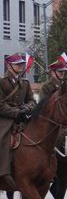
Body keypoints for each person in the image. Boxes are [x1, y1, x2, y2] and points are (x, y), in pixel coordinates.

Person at [0, 54, 37, 189]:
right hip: (5, 118)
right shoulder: (2, 81)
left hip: (23, 116)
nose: (21, 66)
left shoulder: (25, 83)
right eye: (17, 64)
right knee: (2, 138)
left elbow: (32, 100)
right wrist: (16, 112)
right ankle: (3, 171)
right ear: (9, 66)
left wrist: (27, 108)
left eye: (22, 64)